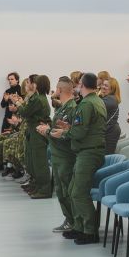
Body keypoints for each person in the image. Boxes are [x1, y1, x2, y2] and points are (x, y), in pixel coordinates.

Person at [59, 73, 107, 245]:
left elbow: (80, 132)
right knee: (73, 190)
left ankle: (89, 231)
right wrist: (71, 127)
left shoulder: (87, 103)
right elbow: (85, 127)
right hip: (88, 151)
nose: (77, 87)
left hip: (89, 152)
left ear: (82, 85)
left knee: (79, 192)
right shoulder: (97, 101)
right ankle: (79, 226)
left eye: (79, 84)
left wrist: (65, 132)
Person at [41, 77, 78, 233]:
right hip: (58, 154)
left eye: (56, 88)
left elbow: (67, 133)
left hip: (65, 155)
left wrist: (48, 131)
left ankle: (74, 222)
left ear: (60, 90)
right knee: (61, 191)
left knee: (67, 191)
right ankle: (69, 220)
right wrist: (48, 130)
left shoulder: (71, 108)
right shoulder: (63, 107)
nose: (54, 91)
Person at [23, 75, 53, 197]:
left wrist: (18, 104)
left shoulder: (39, 99)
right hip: (34, 130)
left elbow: (25, 112)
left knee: (40, 163)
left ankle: (44, 189)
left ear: (37, 85)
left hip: (38, 132)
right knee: (33, 161)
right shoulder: (39, 98)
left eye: (34, 83)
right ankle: (38, 186)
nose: (31, 85)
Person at [100, 76, 122, 154]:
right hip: (110, 130)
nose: (103, 87)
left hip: (110, 132)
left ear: (112, 89)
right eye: (103, 84)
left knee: (107, 156)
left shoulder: (110, 99)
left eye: (106, 86)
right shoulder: (108, 98)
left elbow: (94, 105)